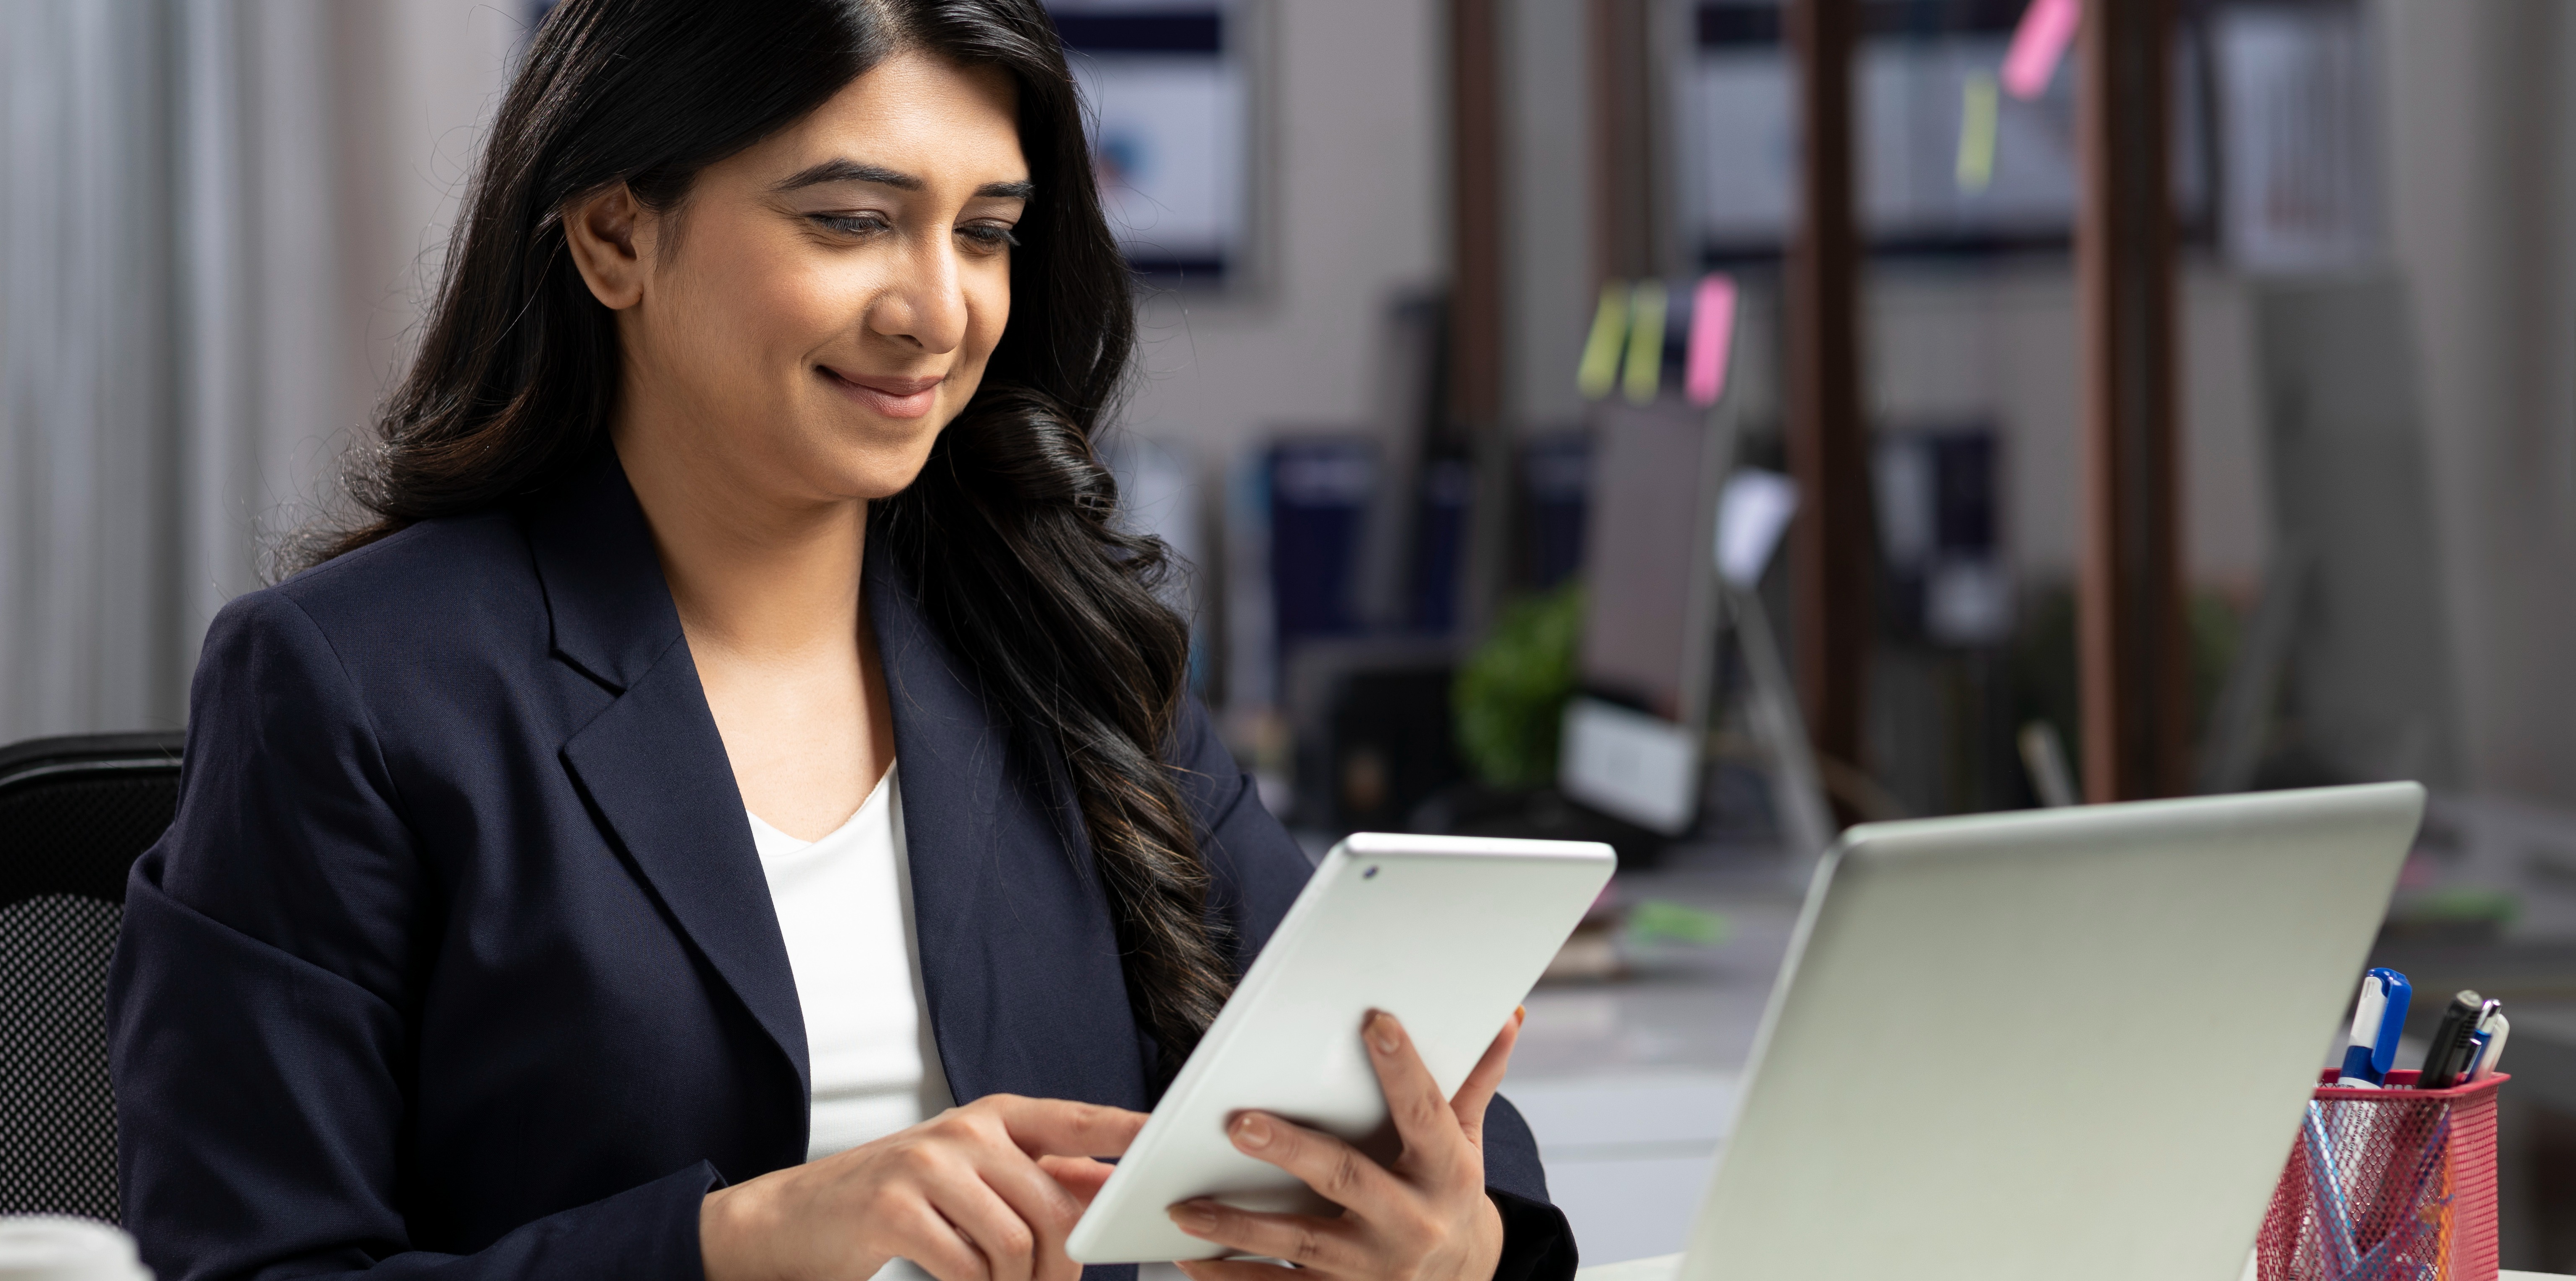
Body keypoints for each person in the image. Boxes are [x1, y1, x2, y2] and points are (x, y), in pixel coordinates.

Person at [106, 4, 1576, 1281]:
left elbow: (1370, 1074)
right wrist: (743, 1245)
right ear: (617, 232)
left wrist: (1459, 1240)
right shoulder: (352, 686)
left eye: (986, 233)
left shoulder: (1061, 645)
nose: (938, 309)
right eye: (850, 220)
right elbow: (254, 1266)